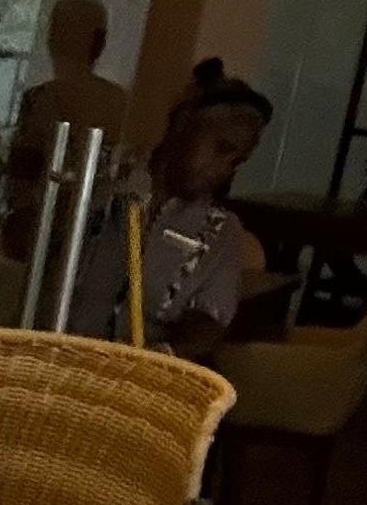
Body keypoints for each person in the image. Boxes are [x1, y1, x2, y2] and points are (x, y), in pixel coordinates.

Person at [66, 60, 273, 356]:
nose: (223, 170)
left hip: (137, 373)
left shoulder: (221, 231)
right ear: (183, 122)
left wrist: (160, 355)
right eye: (221, 148)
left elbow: (209, 323)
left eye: (236, 162)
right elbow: (27, 241)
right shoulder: (103, 179)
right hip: (54, 356)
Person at [1, 0, 129, 267]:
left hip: (68, 244)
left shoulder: (40, 100)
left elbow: (21, 178)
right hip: (78, 245)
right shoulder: (120, 103)